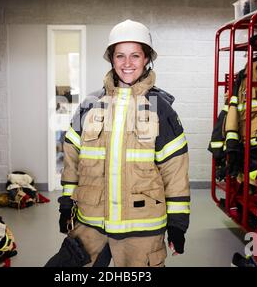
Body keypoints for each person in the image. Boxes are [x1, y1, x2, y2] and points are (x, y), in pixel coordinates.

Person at [58, 19, 190, 267]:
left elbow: (175, 170)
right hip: (91, 224)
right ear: (111, 59)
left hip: (142, 232)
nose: (127, 64)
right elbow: (71, 157)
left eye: (135, 56)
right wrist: (66, 204)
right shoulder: (90, 104)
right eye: (120, 56)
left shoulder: (161, 109)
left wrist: (177, 223)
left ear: (146, 59)